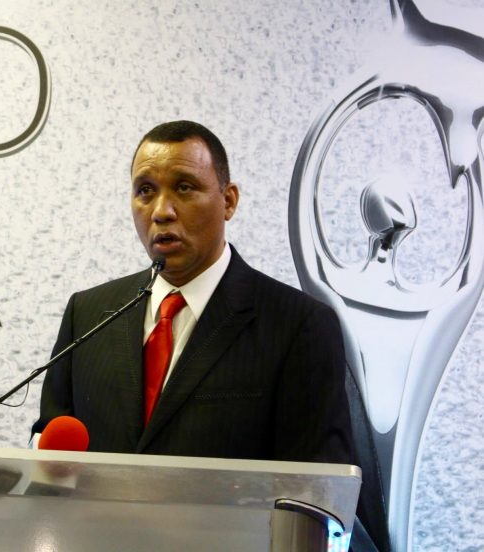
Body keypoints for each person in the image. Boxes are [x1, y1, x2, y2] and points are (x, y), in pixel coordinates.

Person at [32, 120, 384, 549]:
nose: (161, 210)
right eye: (145, 190)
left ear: (228, 200)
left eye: (184, 187)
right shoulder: (88, 314)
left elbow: (317, 497)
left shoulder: (298, 325)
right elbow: (51, 453)